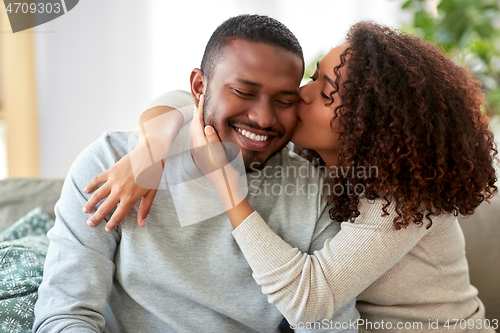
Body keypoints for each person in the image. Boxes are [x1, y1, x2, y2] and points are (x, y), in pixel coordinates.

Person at [83, 22, 498, 332]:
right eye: (313, 76)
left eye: (324, 90)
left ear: (365, 124)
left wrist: (227, 187)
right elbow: (192, 97)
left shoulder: (401, 198)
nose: (302, 93)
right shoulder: (320, 163)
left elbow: (309, 300)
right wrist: (148, 152)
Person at [33, 15, 360, 333]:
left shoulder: (315, 193)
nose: (262, 118)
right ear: (199, 86)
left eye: (283, 100)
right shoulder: (112, 162)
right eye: (244, 92)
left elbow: (330, 325)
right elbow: (64, 316)